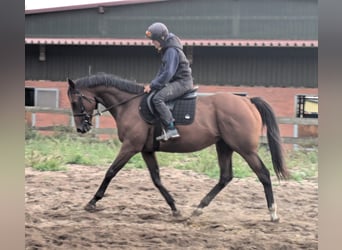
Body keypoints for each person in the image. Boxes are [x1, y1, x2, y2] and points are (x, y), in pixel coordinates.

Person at [144, 22, 194, 141]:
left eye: (154, 40)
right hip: (177, 81)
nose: (153, 43)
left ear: (161, 39)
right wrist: (152, 84)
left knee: (158, 98)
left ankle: (171, 129)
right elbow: (162, 71)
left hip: (183, 82)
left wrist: (153, 85)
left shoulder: (171, 50)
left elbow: (168, 73)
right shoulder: (166, 49)